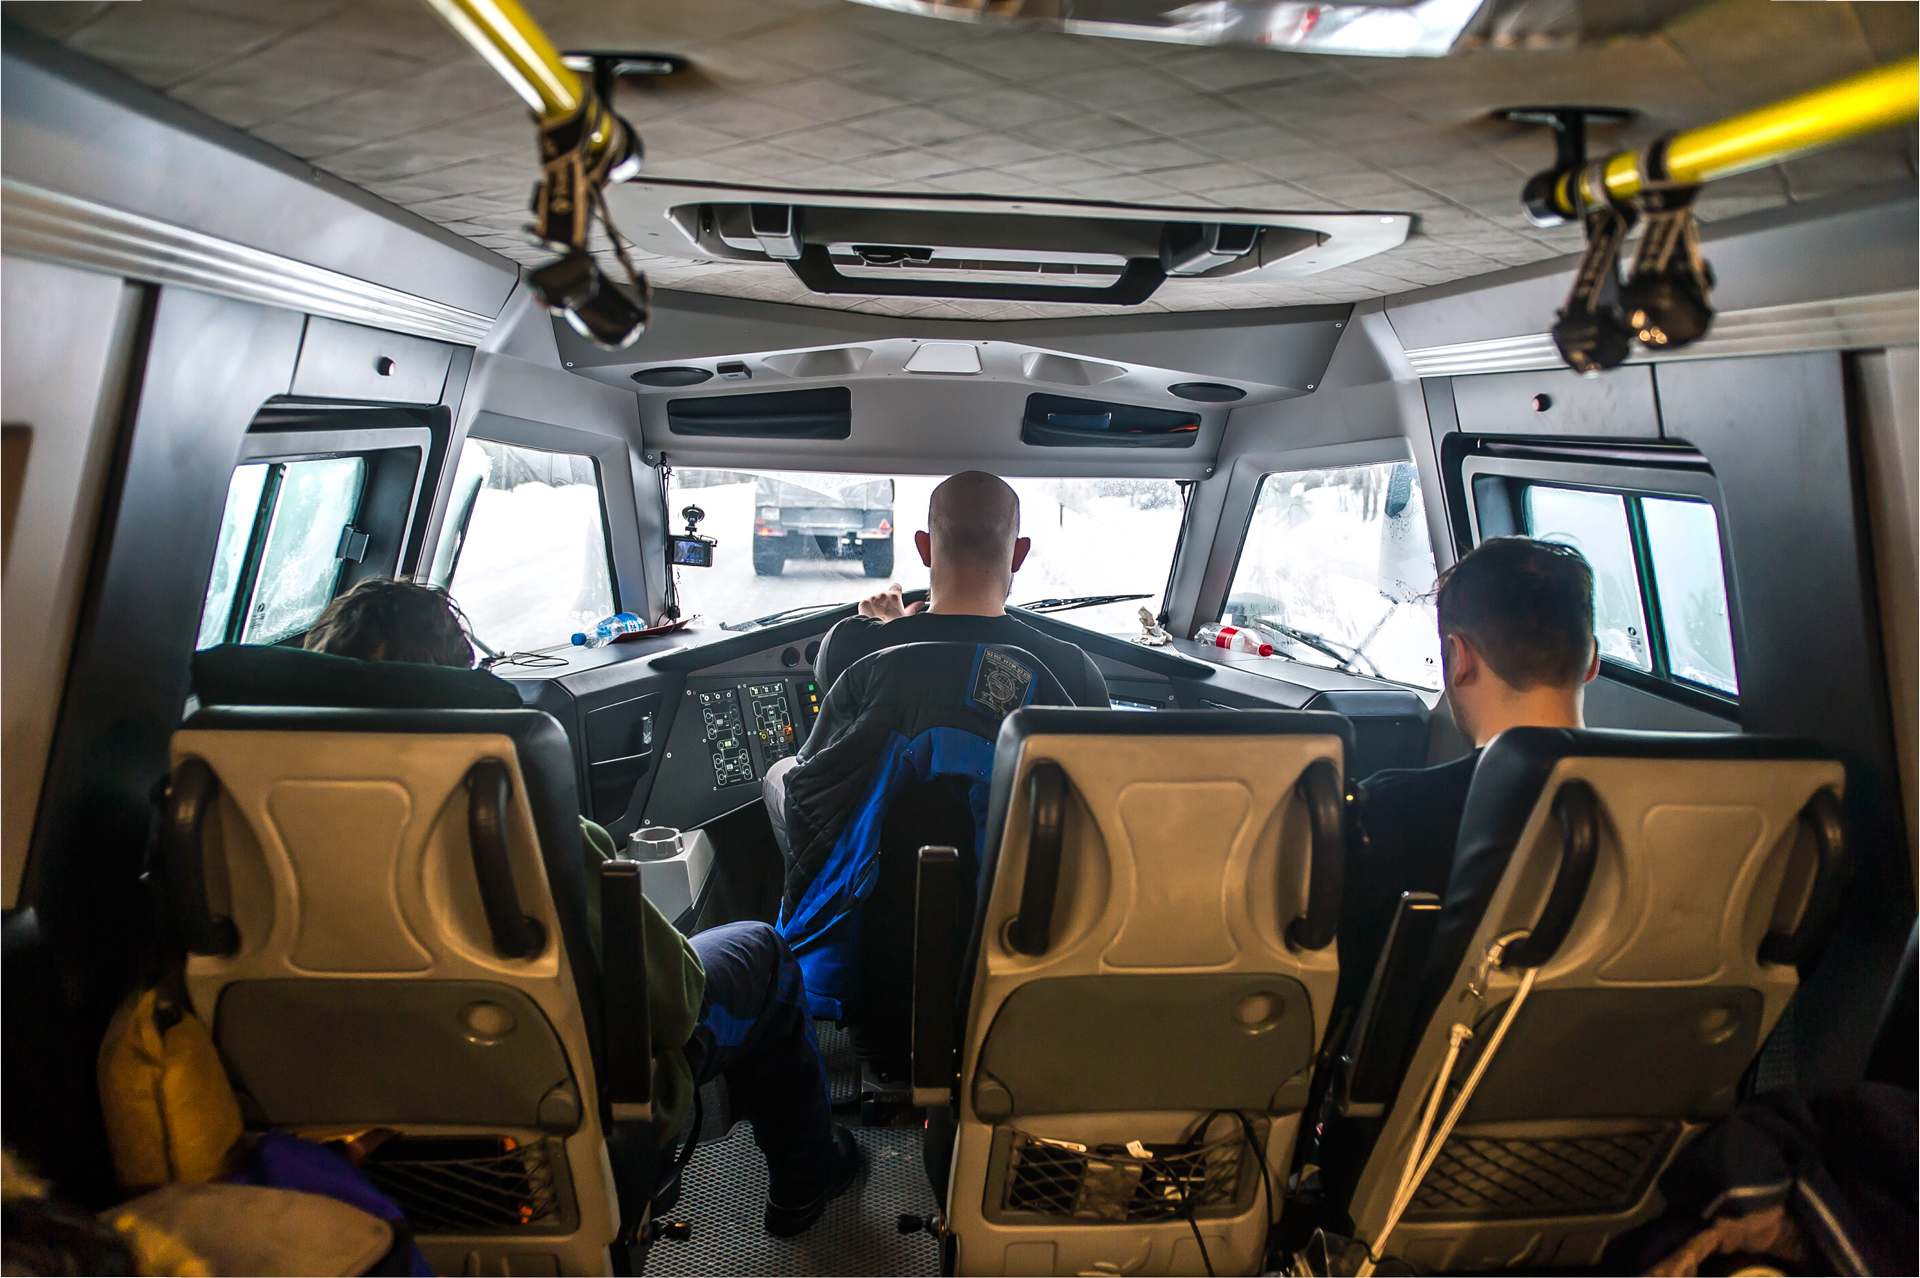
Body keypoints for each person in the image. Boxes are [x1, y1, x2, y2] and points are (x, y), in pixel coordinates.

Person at [301, 579, 861, 1238]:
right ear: (457, 693)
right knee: (762, 951)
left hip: (334, 1130)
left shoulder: (231, 823)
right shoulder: (517, 820)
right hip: (551, 1103)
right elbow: (676, 999)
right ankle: (806, 1178)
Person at [764, 471, 1110, 855]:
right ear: (1019, 554)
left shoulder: (851, 647)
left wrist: (892, 628)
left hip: (878, 882)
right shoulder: (1074, 670)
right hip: (1021, 888)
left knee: (779, 774)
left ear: (924, 548)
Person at [1332, 536, 1600, 1023]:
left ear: (1460, 658)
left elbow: (1337, 992)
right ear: (1592, 660)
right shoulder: (1681, 810)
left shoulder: (1389, 815)